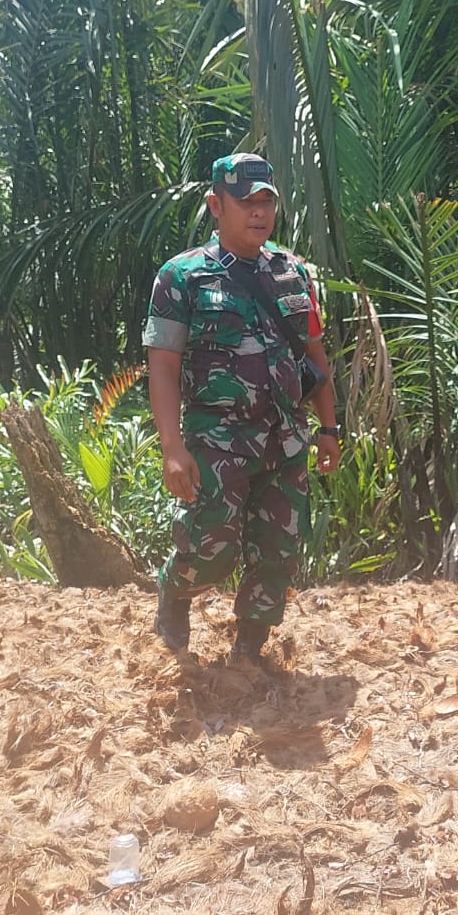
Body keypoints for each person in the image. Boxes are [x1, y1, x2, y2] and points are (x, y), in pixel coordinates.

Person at [143, 153, 342, 659]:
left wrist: (329, 428)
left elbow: (315, 357)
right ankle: (175, 588)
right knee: (212, 549)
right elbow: (162, 366)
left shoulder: (294, 272)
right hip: (217, 441)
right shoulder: (181, 277)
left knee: (278, 553)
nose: (258, 212)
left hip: (286, 437)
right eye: (245, 202)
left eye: (266, 202)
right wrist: (171, 448)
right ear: (216, 204)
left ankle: (249, 649)